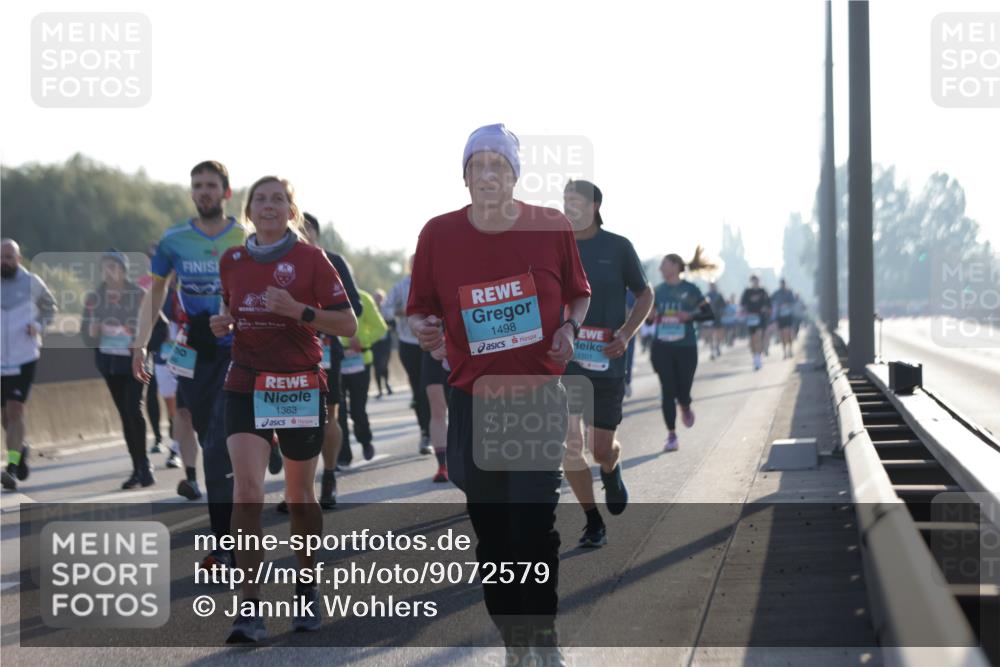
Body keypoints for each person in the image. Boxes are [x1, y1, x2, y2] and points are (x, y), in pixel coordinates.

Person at [408, 124, 591, 664]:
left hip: (537, 397)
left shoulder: (551, 226)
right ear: (464, 177)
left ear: (515, 174)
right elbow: (420, 308)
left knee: (533, 525)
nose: (487, 175)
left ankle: (544, 636)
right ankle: (515, 639)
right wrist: (424, 328)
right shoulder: (438, 234)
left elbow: (578, 295)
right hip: (474, 401)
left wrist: (570, 329)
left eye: (498, 165)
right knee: (493, 534)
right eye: (477, 166)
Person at [212, 175, 356, 643]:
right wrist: (223, 322)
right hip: (246, 380)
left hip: (298, 383)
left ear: (291, 211)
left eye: (278, 199)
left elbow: (348, 324)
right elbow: (230, 309)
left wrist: (300, 311)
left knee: (298, 497)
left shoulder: (313, 259)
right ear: (249, 211)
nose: (269, 205)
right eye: (260, 199)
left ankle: (307, 584)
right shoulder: (231, 260)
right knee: (247, 492)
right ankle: (249, 606)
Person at [132, 161, 250, 568]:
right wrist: (139, 344)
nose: (204, 192)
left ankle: (224, 545)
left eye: (211, 185)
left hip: (240, 349)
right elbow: (155, 293)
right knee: (203, 433)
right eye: (197, 185)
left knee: (216, 445)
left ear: (226, 192)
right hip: (195, 352)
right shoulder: (174, 240)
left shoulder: (246, 236)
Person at [560, 180, 652, 549]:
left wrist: (626, 334)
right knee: (570, 445)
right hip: (566, 363)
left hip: (607, 361)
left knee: (600, 450)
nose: (568, 207)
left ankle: (611, 470)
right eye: (565, 201)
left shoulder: (618, 247)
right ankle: (592, 520)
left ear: (595, 205)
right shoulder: (556, 246)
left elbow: (645, 294)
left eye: (575, 201)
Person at [295, 211, 363, 510]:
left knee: (328, 415)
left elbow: (355, 307)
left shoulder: (332, 260)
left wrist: (315, 315)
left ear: (316, 234)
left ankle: (330, 475)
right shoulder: (276, 262)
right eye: (296, 228)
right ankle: (296, 487)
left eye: (306, 228)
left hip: (324, 347)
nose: (301, 233)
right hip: (286, 349)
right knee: (289, 417)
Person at [82, 250, 159, 488]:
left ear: (123, 270)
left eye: (113, 267)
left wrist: (139, 344)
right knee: (125, 415)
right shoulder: (95, 297)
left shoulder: (139, 295)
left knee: (133, 409)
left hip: (136, 363)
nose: (109, 271)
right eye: (105, 267)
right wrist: (92, 332)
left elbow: (160, 328)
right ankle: (137, 468)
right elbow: (85, 335)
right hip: (110, 364)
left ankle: (144, 464)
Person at [1, 239, 56, 491]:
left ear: (18, 259)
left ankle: (11, 467)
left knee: (15, 411)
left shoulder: (32, 282)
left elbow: (50, 308)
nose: (4, 262)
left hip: (24, 356)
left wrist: (38, 326)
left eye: (9, 257)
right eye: (1, 257)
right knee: (5, 417)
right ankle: (20, 448)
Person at [650, 249, 716, 452]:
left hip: (686, 347)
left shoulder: (691, 289)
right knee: (667, 390)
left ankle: (685, 404)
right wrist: (650, 316)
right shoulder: (656, 291)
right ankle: (671, 435)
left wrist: (689, 316)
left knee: (683, 389)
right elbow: (648, 318)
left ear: (675, 266)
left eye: (664, 264)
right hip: (662, 347)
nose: (660, 268)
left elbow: (709, 314)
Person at [384, 263, 433, 454]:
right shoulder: (401, 286)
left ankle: (441, 426)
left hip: (433, 341)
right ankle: (426, 432)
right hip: (408, 342)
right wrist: (404, 312)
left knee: (435, 388)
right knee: (420, 389)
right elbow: (385, 308)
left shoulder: (434, 281)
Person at [336, 288, 387, 465]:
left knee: (358, 409)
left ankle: (365, 440)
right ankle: (343, 455)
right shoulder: (322, 297)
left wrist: (362, 340)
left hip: (360, 360)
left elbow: (381, 328)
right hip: (334, 362)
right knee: (338, 410)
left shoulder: (363, 298)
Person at [422, 336, 451, 483]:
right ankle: (442, 466)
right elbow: (416, 325)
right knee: (437, 408)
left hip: (470, 350)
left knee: (470, 409)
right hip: (436, 350)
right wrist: (426, 338)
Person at [740, 275, 771, 371]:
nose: (755, 283)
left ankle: (758, 358)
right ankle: (755, 357)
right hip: (751, 318)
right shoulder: (747, 292)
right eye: (753, 281)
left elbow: (768, 303)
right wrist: (745, 309)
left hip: (761, 317)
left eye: (756, 281)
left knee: (759, 337)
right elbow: (742, 303)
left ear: (759, 281)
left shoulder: (763, 291)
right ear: (751, 282)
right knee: (752, 340)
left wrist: (765, 308)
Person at [370, 288, 393, 398]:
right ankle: (380, 390)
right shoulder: (370, 310)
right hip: (374, 342)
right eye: (376, 298)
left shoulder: (387, 311)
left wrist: (386, 326)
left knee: (384, 364)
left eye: (380, 298)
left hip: (385, 342)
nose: (378, 300)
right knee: (377, 366)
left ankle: (387, 384)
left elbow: (393, 324)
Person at [771, 279, 796, 359]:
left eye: (784, 284)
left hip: (788, 316)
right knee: (782, 334)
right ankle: (784, 352)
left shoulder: (789, 292)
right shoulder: (776, 293)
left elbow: (793, 301)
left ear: (786, 284)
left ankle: (790, 350)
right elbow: (770, 300)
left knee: (788, 333)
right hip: (780, 316)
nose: (783, 285)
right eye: (781, 284)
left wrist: (787, 304)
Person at [705, 282, 727, 360]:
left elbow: (724, 306)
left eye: (713, 286)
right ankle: (712, 351)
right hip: (709, 316)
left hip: (717, 317)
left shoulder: (719, 295)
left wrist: (721, 312)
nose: (712, 288)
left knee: (718, 334)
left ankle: (717, 346)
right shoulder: (707, 295)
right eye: (711, 286)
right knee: (710, 334)